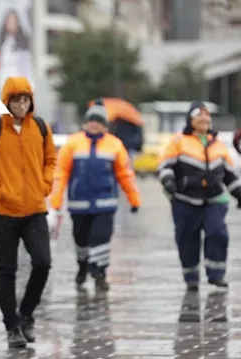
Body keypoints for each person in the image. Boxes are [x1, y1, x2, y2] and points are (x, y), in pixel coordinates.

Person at [0, 76, 56, 347]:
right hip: (3, 211)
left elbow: (51, 160)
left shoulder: (41, 128)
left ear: (31, 101)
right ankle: (12, 327)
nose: (21, 105)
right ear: (6, 102)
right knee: (7, 269)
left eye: (25, 99)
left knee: (42, 262)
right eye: (16, 100)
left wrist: (45, 184)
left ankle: (27, 314)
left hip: (34, 209)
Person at [49, 105, 141, 291]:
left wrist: (134, 199)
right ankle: (82, 266)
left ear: (105, 126)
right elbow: (61, 173)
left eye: (98, 122)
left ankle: (100, 273)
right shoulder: (73, 143)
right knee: (81, 239)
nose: (94, 125)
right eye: (91, 121)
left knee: (101, 238)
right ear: (85, 123)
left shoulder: (114, 145)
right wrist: (56, 201)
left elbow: (125, 174)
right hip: (79, 204)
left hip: (105, 203)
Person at [158, 101, 241, 291]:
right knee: (187, 239)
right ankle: (191, 277)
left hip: (215, 200)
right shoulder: (178, 141)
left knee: (217, 233)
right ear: (190, 120)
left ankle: (216, 274)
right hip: (185, 200)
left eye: (207, 116)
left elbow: (229, 174)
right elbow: (165, 165)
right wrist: (168, 181)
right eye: (199, 116)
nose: (204, 119)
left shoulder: (218, 144)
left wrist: (238, 193)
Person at [0, 9, 33, 93]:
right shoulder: (2, 43)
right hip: (3, 84)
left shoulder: (23, 43)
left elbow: (27, 68)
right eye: (9, 21)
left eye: (13, 21)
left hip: (18, 85)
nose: (11, 24)